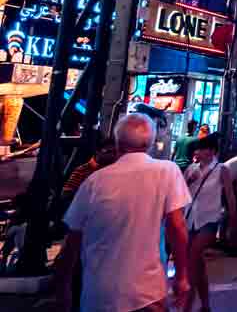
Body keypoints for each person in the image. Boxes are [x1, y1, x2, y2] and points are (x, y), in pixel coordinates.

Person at [54, 113, 191, 312]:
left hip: (98, 295)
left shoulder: (94, 182)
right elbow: (177, 228)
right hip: (146, 294)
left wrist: (63, 288)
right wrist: (182, 276)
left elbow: (72, 241)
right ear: (151, 143)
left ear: (118, 143)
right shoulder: (167, 171)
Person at [184, 135, 237, 312]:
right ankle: (206, 305)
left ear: (212, 151)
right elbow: (181, 193)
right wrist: (188, 181)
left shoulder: (221, 169)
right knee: (197, 263)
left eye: (202, 148)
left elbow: (230, 195)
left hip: (209, 219)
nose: (198, 152)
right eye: (197, 149)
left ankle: (186, 306)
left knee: (192, 259)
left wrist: (233, 220)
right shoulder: (191, 169)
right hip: (190, 219)